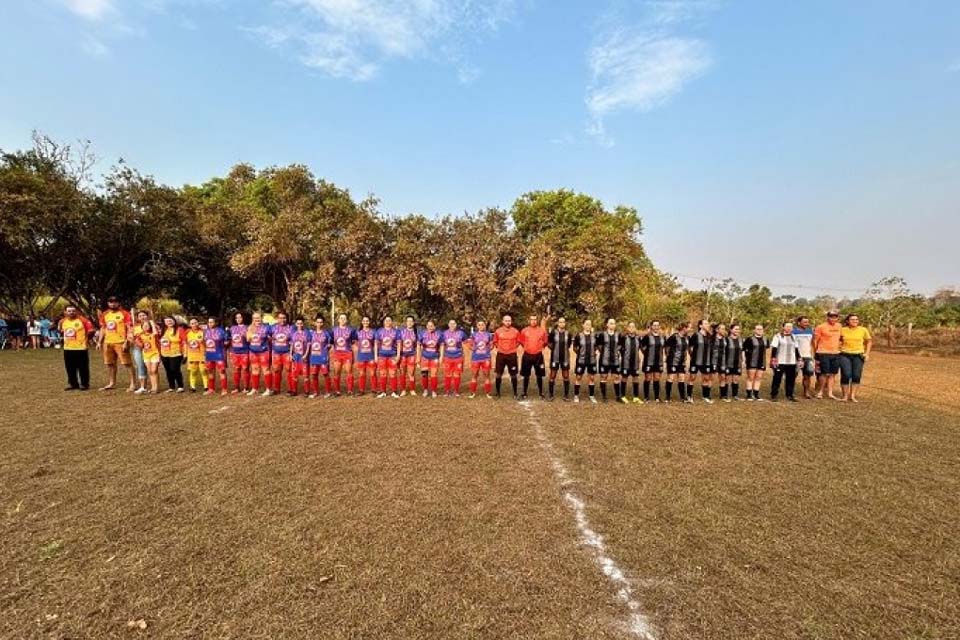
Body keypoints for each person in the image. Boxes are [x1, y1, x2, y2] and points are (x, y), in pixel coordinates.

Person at [96, 297, 135, 391]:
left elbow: (129, 328)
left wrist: (127, 341)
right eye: (111, 302)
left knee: (127, 363)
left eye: (115, 302)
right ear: (108, 303)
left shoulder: (124, 313)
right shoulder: (105, 314)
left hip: (120, 342)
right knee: (110, 363)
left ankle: (133, 383)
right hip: (108, 342)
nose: (113, 304)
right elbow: (103, 328)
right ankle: (112, 383)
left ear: (118, 303)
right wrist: (99, 342)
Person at [59, 306, 93, 390]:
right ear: (65, 312)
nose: (71, 312)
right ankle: (73, 384)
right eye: (69, 311)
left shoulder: (83, 320)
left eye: (73, 311)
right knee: (70, 367)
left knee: (83, 367)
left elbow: (91, 331)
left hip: (81, 348)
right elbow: (61, 331)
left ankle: (84, 384)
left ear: (77, 311)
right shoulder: (62, 321)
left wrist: (86, 340)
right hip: (68, 348)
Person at [839, 313, 872, 402]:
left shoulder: (863, 330)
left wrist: (867, 353)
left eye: (856, 319)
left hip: (858, 355)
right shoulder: (842, 330)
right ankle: (845, 396)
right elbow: (838, 340)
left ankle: (852, 396)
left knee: (856, 375)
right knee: (846, 374)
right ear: (847, 321)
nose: (855, 321)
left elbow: (869, 341)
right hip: (844, 355)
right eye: (852, 319)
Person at [813, 310, 843, 400]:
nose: (833, 319)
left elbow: (841, 338)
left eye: (835, 317)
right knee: (824, 373)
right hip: (823, 353)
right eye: (831, 317)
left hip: (836, 353)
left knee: (833, 374)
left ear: (837, 318)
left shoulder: (839, 326)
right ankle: (820, 392)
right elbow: (815, 340)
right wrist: (815, 352)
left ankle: (830, 393)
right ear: (828, 317)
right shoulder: (821, 327)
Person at [769, 322, 802, 401]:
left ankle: (790, 395)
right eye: (787, 326)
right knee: (777, 378)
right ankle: (774, 395)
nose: (789, 328)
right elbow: (774, 348)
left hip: (791, 361)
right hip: (780, 361)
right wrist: (773, 358)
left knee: (791, 379)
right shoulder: (778, 336)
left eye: (791, 327)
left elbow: (796, 349)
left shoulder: (794, 337)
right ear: (783, 327)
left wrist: (799, 359)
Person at [519, 314, 547, 400]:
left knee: (539, 375)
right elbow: (521, 342)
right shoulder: (524, 330)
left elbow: (545, 342)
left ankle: (541, 392)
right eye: (532, 319)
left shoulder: (542, 331)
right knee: (526, 375)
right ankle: (524, 392)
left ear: (537, 321)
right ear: (529, 320)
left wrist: (538, 348)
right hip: (527, 355)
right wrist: (528, 348)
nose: (533, 321)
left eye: (535, 319)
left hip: (538, 356)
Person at [492, 314, 520, 399]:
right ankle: (497, 393)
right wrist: (501, 348)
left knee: (513, 375)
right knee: (498, 374)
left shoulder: (515, 331)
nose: (508, 322)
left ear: (511, 322)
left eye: (509, 321)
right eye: (506, 320)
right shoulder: (498, 331)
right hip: (501, 355)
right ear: (503, 321)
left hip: (512, 355)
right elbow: (495, 341)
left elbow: (518, 342)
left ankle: (515, 393)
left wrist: (512, 348)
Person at [267, 312, 295, 396]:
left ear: (287, 318)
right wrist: (270, 338)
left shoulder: (291, 328)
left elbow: (294, 340)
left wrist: (292, 352)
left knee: (289, 371)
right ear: (277, 318)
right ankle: (276, 389)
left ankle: (291, 389)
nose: (282, 320)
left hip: (287, 352)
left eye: (284, 318)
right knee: (276, 370)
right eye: (280, 318)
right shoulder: (273, 327)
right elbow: (266, 334)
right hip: (276, 352)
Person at [595, 318, 622, 403]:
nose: (612, 325)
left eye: (614, 323)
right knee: (604, 377)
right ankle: (604, 397)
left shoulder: (618, 335)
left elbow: (620, 345)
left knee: (616, 377)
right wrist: (604, 352)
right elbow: (599, 346)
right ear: (607, 324)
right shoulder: (602, 335)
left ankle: (618, 397)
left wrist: (616, 351)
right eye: (611, 323)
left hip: (615, 360)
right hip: (604, 360)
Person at [134, 315, 162, 394]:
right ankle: (153, 387)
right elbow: (138, 343)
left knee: (154, 370)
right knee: (150, 371)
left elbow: (155, 333)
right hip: (146, 354)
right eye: (144, 326)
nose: (146, 327)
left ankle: (156, 387)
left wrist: (152, 323)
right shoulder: (141, 335)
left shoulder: (153, 334)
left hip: (155, 353)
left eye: (147, 325)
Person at [245, 312, 271, 396]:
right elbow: (247, 339)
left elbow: (271, 338)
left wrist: (268, 338)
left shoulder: (266, 327)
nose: (257, 320)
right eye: (255, 318)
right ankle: (255, 388)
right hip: (253, 351)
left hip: (263, 351)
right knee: (255, 369)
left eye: (258, 318)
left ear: (261, 318)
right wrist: (250, 332)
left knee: (265, 369)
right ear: (252, 319)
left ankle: (268, 389)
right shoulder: (250, 327)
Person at [572, 319, 597, 403]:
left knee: (592, 378)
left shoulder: (594, 336)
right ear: (583, 325)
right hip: (581, 360)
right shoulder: (578, 336)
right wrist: (580, 354)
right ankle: (576, 395)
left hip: (591, 360)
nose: (588, 326)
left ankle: (591, 396)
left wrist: (594, 353)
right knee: (578, 377)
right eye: (586, 324)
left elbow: (596, 346)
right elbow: (574, 347)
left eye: (590, 324)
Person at [687, 320, 714, 403]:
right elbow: (690, 347)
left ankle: (705, 396)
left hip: (706, 361)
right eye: (705, 323)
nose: (707, 325)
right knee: (692, 377)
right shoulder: (696, 335)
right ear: (700, 326)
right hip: (696, 361)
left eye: (708, 323)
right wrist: (692, 356)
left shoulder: (710, 336)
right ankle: (689, 396)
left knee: (706, 378)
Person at [330, 314, 356, 396]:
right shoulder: (333, 330)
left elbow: (353, 342)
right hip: (337, 353)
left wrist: (353, 354)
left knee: (349, 371)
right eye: (341, 318)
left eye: (344, 318)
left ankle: (350, 390)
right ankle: (337, 391)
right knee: (337, 372)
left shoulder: (351, 330)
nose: (342, 320)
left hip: (347, 353)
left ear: (346, 320)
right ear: (338, 320)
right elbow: (331, 342)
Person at [374, 316, 401, 398]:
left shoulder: (396, 332)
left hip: (392, 355)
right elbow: (376, 344)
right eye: (386, 320)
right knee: (383, 373)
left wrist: (398, 355)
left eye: (389, 320)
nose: (388, 322)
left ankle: (394, 392)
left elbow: (399, 344)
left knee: (393, 373)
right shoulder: (379, 331)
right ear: (384, 322)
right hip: (382, 355)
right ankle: (383, 392)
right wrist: (376, 356)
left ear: (391, 322)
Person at [546, 317, 572, 401]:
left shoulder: (568, 333)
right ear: (557, 323)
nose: (562, 324)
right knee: (552, 375)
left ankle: (566, 395)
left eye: (563, 322)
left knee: (566, 376)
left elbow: (568, 345)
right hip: (555, 357)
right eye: (560, 322)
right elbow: (549, 343)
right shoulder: (553, 332)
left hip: (565, 358)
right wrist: (554, 349)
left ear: (565, 323)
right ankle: (551, 395)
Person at [159, 316, 187, 392]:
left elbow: (184, 342)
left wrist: (185, 354)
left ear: (174, 321)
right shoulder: (163, 330)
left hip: (176, 353)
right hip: (164, 353)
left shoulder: (179, 329)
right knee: (168, 370)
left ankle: (180, 386)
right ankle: (171, 386)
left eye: (170, 320)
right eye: (167, 321)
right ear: (164, 323)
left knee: (175, 369)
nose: (169, 322)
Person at [308, 315, 333, 398]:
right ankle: (315, 392)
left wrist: (328, 347)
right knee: (314, 374)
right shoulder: (311, 333)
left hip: (323, 357)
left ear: (323, 323)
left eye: (321, 322)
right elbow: (308, 344)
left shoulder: (326, 333)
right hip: (314, 357)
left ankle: (328, 392)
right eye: (318, 322)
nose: (319, 324)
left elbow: (330, 344)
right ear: (315, 323)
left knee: (325, 374)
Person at [664, 322, 690, 403]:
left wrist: (685, 357)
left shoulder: (687, 338)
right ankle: (667, 397)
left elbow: (686, 349)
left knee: (682, 378)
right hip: (672, 361)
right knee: (671, 378)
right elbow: (666, 346)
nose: (689, 329)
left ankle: (683, 397)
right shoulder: (674, 337)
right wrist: (668, 356)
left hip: (681, 362)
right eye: (688, 328)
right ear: (684, 328)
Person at [641, 321, 666, 402]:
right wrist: (646, 353)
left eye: (657, 325)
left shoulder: (662, 337)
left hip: (658, 361)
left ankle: (657, 397)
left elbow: (665, 347)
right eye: (654, 325)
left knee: (657, 378)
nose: (656, 327)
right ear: (651, 326)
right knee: (648, 378)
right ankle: (646, 397)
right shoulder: (647, 337)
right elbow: (641, 346)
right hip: (648, 361)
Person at [441, 319, 467, 396]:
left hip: (458, 357)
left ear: (456, 325)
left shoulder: (461, 333)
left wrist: (464, 355)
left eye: (454, 323)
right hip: (447, 357)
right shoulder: (444, 333)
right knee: (447, 374)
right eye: (451, 323)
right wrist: (442, 356)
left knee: (457, 374)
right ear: (448, 325)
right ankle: (447, 391)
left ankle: (456, 391)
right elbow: (442, 345)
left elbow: (465, 343)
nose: (452, 325)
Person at [468, 320, 494, 398]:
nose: (481, 326)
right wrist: (474, 349)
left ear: (485, 326)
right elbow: (470, 345)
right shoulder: (473, 334)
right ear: (477, 326)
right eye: (479, 325)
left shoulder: (489, 334)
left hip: (486, 358)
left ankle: (488, 393)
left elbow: (491, 345)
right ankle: (472, 392)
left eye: (482, 324)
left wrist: (487, 350)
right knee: (474, 375)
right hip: (476, 358)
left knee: (487, 375)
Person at [203, 317, 229, 396]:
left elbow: (227, 342)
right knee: (210, 371)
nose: (210, 324)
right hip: (209, 355)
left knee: (222, 372)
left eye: (211, 322)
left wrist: (226, 343)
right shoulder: (206, 331)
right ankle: (211, 389)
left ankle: (224, 389)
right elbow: (204, 342)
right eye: (209, 322)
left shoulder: (221, 331)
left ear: (216, 323)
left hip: (219, 354)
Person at [618, 322, 643, 404]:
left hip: (635, 362)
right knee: (624, 377)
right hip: (626, 362)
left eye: (633, 327)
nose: (632, 328)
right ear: (627, 328)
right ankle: (622, 396)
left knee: (636, 378)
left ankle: (636, 397)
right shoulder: (623, 337)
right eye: (630, 327)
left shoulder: (638, 338)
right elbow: (619, 347)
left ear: (635, 328)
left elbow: (641, 348)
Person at [742, 324, 767, 401]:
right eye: (758, 329)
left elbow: (765, 350)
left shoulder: (765, 339)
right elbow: (743, 350)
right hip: (751, 361)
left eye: (761, 329)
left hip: (761, 362)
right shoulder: (749, 339)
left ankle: (756, 394)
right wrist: (744, 360)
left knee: (758, 378)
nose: (759, 330)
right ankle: (749, 395)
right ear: (754, 330)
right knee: (750, 378)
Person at [793, 316, 816, 399]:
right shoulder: (793, 332)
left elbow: (813, 343)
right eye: (805, 322)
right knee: (793, 375)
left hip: (808, 357)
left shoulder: (810, 331)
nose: (807, 324)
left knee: (807, 375)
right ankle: (790, 391)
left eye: (807, 322)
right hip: (797, 357)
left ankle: (806, 392)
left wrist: (814, 354)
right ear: (799, 323)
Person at [721, 323, 744, 402]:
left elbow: (742, 351)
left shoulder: (740, 340)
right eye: (736, 329)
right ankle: (725, 395)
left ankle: (735, 395)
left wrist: (743, 361)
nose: (738, 331)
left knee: (736, 379)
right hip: (728, 363)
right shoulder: (726, 339)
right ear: (731, 330)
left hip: (737, 363)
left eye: (738, 329)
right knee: (727, 379)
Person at [418, 320, 441, 397]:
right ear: (426, 326)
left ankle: (434, 391)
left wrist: (441, 357)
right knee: (424, 374)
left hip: (434, 357)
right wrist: (418, 357)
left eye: (431, 326)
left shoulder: (439, 334)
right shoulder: (422, 334)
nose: (430, 327)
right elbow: (418, 346)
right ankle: (425, 390)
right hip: (425, 357)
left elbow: (442, 345)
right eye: (428, 325)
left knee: (433, 374)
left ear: (434, 326)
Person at [289, 318, 312, 396]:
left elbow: (308, 345)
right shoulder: (293, 333)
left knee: (306, 375)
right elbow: (292, 345)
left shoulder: (307, 333)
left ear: (303, 324)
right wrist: (290, 354)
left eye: (301, 323)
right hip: (296, 357)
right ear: (296, 324)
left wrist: (306, 355)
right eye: (298, 323)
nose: (299, 325)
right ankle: (294, 391)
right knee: (294, 374)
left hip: (304, 357)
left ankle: (307, 391)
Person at [354, 316, 376, 395]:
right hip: (361, 356)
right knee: (361, 373)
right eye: (364, 321)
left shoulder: (373, 332)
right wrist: (357, 353)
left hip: (371, 356)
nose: (365, 322)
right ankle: (361, 390)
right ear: (362, 322)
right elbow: (355, 343)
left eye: (367, 321)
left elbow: (375, 344)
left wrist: (375, 354)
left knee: (373, 373)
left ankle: (374, 389)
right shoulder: (358, 332)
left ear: (369, 322)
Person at [130, 310, 151, 392]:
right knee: (140, 366)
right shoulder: (135, 327)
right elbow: (130, 338)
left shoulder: (152, 325)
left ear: (147, 316)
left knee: (151, 368)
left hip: (150, 349)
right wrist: (133, 339)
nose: (142, 317)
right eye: (140, 316)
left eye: (144, 315)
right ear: (138, 318)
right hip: (138, 349)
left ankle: (154, 386)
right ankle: (143, 386)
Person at [397, 316, 419, 397]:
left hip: (411, 355)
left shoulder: (416, 333)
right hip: (403, 355)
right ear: (406, 322)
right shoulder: (401, 332)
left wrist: (417, 357)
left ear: (413, 323)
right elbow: (399, 344)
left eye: (411, 321)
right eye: (408, 321)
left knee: (411, 373)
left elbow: (418, 346)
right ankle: (403, 390)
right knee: (402, 373)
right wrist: (398, 355)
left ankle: (412, 389)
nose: (409, 323)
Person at [229, 312, 250, 394]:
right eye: (236, 318)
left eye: (240, 317)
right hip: (234, 352)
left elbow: (250, 340)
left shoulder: (248, 327)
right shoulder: (232, 328)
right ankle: (236, 388)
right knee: (236, 370)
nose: (238, 319)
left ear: (243, 318)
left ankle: (246, 388)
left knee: (245, 369)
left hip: (245, 351)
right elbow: (229, 340)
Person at [184, 318, 207, 392]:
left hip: (202, 354)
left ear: (198, 323)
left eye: (195, 323)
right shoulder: (187, 333)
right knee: (193, 371)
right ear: (190, 325)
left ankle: (206, 387)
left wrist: (203, 342)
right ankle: (192, 387)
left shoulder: (203, 332)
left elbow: (207, 343)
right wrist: (185, 354)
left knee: (203, 370)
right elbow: (185, 344)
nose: (194, 325)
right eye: (192, 323)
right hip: (192, 355)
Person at [709, 323, 729, 401]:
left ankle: (723, 395)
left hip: (723, 361)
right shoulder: (712, 338)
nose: (724, 330)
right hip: (713, 361)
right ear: (717, 330)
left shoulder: (725, 339)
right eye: (722, 329)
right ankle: (707, 395)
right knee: (711, 377)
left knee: (723, 377)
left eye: (724, 329)